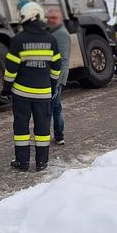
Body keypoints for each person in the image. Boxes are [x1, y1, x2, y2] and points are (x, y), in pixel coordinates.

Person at [2, 1, 62, 172]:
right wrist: (50, 85)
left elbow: (11, 70)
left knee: (21, 127)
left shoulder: (18, 40)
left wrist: (7, 88)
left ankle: (23, 163)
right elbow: (56, 67)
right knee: (42, 127)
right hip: (43, 93)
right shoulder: (51, 40)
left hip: (21, 93)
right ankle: (42, 162)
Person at [46, 8, 71, 145]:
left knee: (53, 108)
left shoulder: (61, 34)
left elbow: (63, 59)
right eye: (49, 17)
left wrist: (58, 81)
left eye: (53, 18)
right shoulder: (53, 32)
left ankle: (57, 135)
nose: (50, 20)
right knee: (56, 107)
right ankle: (58, 136)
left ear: (60, 19)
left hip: (55, 79)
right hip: (53, 78)